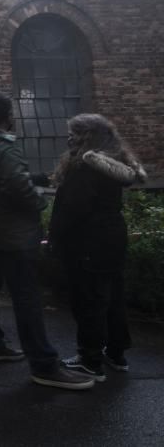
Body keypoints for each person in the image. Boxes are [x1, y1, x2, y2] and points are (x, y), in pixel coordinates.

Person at [0, 92, 94, 390]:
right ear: (7, 116)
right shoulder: (3, 145)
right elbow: (14, 184)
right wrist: (38, 204)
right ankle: (44, 365)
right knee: (26, 298)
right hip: (12, 236)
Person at [49, 114, 146, 380]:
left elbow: (71, 209)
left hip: (87, 242)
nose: (69, 137)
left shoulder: (86, 167)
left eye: (75, 133)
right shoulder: (114, 164)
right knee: (112, 296)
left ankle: (90, 360)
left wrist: (55, 238)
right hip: (112, 238)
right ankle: (116, 353)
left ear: (89, 136)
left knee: (89, 300)